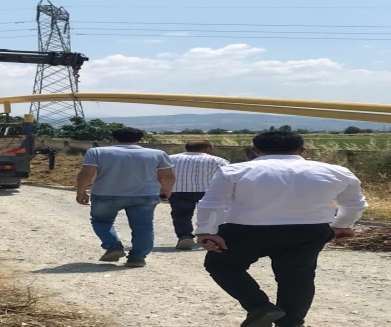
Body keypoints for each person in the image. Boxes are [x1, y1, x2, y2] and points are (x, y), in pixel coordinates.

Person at [194, 131, 368, 327]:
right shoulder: (337, 172)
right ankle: (291, 323)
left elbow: (211, 204)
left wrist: (207, 232)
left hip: (246, 231)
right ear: (303, 150)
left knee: (222, 265)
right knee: (298, 277)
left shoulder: (234, 171)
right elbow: (355, 204)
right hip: (309, 232)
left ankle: (260, 307)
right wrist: (343, 225)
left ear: (255, 150)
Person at [75, 127, 176, 267]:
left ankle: (113, 247)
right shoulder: (157, 154)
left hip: (106, 194)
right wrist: (166, 190)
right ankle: (138, 257)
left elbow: (86, 174)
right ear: (140, 139)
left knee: (102, 221)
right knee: (143, 226)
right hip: (145, 195)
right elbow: (168, 176)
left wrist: (81, 191)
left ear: (113, 139)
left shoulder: (97, 152)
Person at [168, 140, 229, 250]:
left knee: (181, 215)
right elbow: (227, 176)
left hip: (179, 190)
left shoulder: (171, 159)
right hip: (208, 192)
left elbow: (162, 173)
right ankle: (209, 237)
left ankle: (184, 236)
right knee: (211, 215)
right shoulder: (218, 161)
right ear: (206, 149)